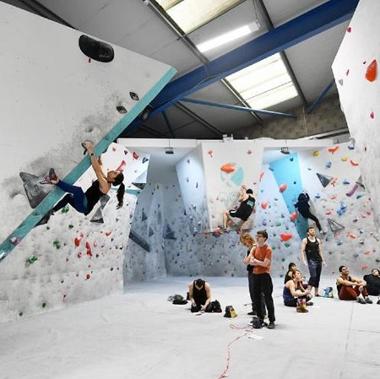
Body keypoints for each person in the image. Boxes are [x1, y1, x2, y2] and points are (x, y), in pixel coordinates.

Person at [42, 141, 125, 216]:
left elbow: (96, 169)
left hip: (84, 206)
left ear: (113, 179)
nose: (113, 170)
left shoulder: (106, 185)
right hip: (83, 203)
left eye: (114, 173)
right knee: (68, 197)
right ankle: (52, 211)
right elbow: (99, 168)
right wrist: (99, 158)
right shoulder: (106, 179)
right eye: (115, 171)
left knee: (78, 191)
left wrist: (90, 149)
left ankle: (56, 181)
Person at [248, 230, 275, 329]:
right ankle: (260, 318)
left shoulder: (268, 249)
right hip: (255, 275)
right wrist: (257, 262)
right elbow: (250, 262)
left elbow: (265, 264)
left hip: (264, 275)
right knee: (256, 298)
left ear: (264, 238)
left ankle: (272, 320)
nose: (257, 237)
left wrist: (256, 261)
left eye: (259, 236)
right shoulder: (255, 248)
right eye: (257, 236)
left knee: (268, 298)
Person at [240, 233, 266, 317]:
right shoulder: (250, 248)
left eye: (245, 242)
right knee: (252, 291)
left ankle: (262, 311)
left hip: (256, 271)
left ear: (248, 239)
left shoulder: (255, 247)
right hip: (251, 271)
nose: (244, 244)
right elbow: (246, 260)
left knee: (258, 292)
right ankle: (255, 309)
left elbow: (247, 260)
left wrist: (248, 260)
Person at [301, 226, 325, 296]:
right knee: (313, 276)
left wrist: (323, 260)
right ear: (308, 233)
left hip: (318, 260)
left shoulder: (318, 240)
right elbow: (302, 251)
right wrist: (304, 260)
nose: (313, 231)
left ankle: (316, 292)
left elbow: (320, 251)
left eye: (314, 230)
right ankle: (308, 291)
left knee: (318, 276)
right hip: (311, 261)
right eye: (311, 230)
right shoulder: (305, 240)